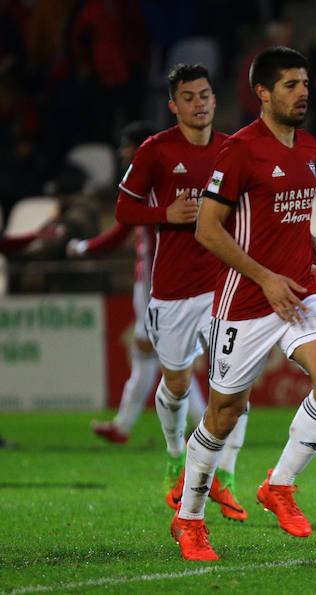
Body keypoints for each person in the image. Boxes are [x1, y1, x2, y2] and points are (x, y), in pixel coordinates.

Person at [173, 46, 316, 561]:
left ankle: (280, 485)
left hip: (297, 290)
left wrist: (307, 240)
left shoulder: (308, 144)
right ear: (263, 94)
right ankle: (189, 520)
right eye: (291, 85)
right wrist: (265, 275)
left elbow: (278, 211)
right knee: (224, 414)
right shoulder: (239, 150)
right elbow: (207, 228)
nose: (303, 92)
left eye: (305, 82)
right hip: (247, 299)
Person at [114, 64, 248, 521]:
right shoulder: (155, 151)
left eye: (206, 94)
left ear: (215, 98)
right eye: (189, 97)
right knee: (175, 382)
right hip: (172, 292)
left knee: (236, 383)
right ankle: (175, 452)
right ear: (174, 105)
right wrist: (164, 214)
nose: (200, 103)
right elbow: (123, 209)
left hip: (224, 284)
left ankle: (224, 477)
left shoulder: (233, 150)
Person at [70, 121, 208, 446]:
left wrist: (82, 248)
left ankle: (201, 423)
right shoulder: (155, 177)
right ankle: (123, 425)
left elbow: (120, 229)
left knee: (167, 356)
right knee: (153, 355)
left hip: (154, 283)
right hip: (149, 282)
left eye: (126, 145)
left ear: (140, 147)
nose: (121, 151)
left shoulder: (151, 178)